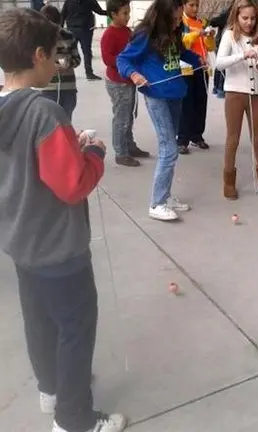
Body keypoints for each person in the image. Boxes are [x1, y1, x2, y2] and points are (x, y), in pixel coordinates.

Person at [0, 8, 126, 432]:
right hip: (58, 247)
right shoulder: (44, 114)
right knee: (75, 328)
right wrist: (93, 153)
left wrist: (69, 145)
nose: (57, 61)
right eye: (54, 53)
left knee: (39, 321)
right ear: (37, 55)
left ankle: (51, 389)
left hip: (20, 241)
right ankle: (74, 419)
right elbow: (72, 185)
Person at [117, 0, 202, 221]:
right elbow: (123, 59)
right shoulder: (145, 35)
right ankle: (157, 203)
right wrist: (134, 75)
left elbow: (181, 53)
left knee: (170, 148)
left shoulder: (174, 32)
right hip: (156, 96)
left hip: (176, 94)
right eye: (175, 19)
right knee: (169, 149)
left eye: (180, 18)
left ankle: (166, 195)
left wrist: (197, 59)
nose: (178, 23)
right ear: (162, 17)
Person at [215, 0, 258, 200]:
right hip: (234, 93)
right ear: (236, 17)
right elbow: (219, 63)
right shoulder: (229, 35)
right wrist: (242, 55)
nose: (249, 22)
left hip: (256, 94)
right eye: (245, 18)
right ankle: (228, 181)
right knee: (232, 139)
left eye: (253, 18)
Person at [101, 0, 150, 167]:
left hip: (128, 80)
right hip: (118, 82)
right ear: (113, 14)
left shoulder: (127, 31)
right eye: (125, 13)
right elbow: (108, 59)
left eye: (128, 12)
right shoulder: (109, 34)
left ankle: (129, 146)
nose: (128, 17)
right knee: (121, 118)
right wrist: (126, 64)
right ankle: (121, 153)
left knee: (128, 116)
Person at [177, 0, 216, 154]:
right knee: (186, 104)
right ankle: (182, 139)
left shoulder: (202, 22)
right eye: (191, 5)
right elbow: (183, 43)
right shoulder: (180, 22)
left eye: (197, 5)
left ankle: (197, 135)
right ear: (184, 5)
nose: (195, 8)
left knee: (201, 102)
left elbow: (210, 47)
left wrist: (209, 37)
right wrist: (197, 34)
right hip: (186, 68)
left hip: (202, 67)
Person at [39, 4, 81, 120]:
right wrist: (50, 66)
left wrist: (67, 64)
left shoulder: (68, 36)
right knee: (47, 122)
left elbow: (77, 59)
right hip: (47, 88)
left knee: (66, 121)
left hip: (68, 87)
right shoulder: (38, 39)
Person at [61, 0, 108, 81]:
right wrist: (112, 12)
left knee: (69, 52)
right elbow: (99, 11)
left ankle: (68, 74)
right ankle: (89, 73)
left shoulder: (68, 1)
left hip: (72, 30)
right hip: (85, 30)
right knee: (87, 52)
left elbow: (63, 15)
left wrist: (60, 29)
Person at [209, 4, 231, 99]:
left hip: (223, 43)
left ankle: (217, 87)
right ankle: (220, 89)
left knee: (220, 66)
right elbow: (214, 22)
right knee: (222, 66)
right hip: (221, 43)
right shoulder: (227, 14)